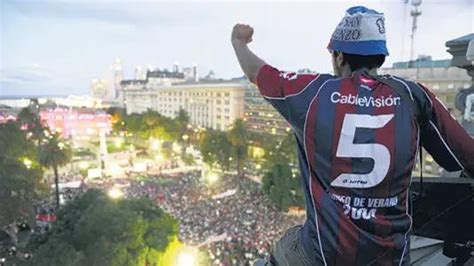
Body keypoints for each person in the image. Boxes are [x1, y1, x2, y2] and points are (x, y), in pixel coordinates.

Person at [231, 5, 474, 266]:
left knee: (284, 246)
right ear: (379, 57)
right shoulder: (414, 95)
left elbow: (256, 73)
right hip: (391, 258)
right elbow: (463, 158)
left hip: (322, 256)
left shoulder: (312, 92)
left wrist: (239, 42)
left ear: (339, 56)